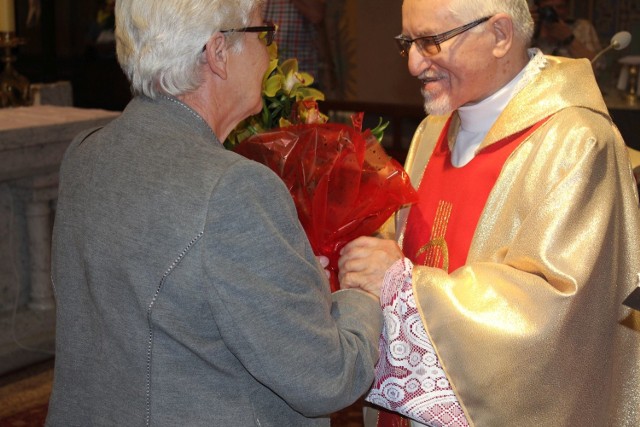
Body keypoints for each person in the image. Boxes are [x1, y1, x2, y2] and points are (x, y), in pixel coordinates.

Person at [46, 0, 382, 425]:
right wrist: (361, 295)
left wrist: (295, 280)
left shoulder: (86, 153)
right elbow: (326, 378)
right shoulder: (233, 189)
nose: (270, 52)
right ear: (218, 53)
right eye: (264, 32)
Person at [338, 0, 640, 426]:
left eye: (430, 42)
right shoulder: (432, 130)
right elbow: (400, 244)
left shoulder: (577, 142)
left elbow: (553, 315)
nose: (412, 63)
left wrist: (405, 287)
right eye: (407, 42)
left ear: (499, 36)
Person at [530, 0, 601, 61]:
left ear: (567, 9)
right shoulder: (532, 28)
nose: (555, 12)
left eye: (560, 7)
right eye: (549, 9)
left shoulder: (583, 27)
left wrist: (569, 39)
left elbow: (595, 66)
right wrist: (530, 30)